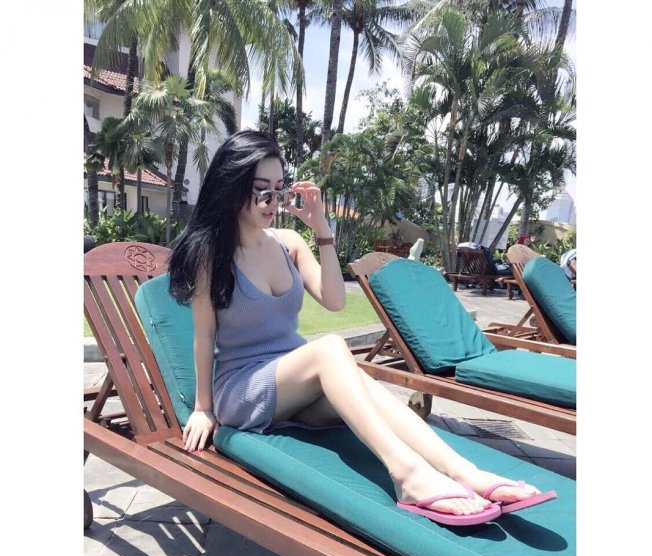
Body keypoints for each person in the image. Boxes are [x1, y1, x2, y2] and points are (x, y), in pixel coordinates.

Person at [168, 130, 550, 526]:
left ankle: (465, 472)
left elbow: (334, 300)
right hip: (243, 390)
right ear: (232, 185)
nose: (272, 201)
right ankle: (408, 475)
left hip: (297, 385)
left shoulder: (288, 243)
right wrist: (203, 409)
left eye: (279, 189)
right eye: (261, 189)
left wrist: (321, 228)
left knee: (367, 388)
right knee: (331, 349)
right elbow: (204, 336)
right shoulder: (211, 254)